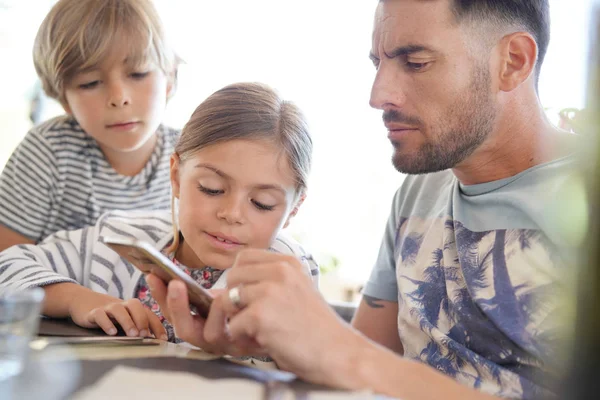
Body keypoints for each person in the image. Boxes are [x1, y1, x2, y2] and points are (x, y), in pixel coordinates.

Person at [150, 0, 578, 399]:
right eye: (379, 63)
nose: (378, 95)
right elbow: (363, 368)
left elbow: (360, 361)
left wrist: (347, 355)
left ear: (512, 62)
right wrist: (278, 347)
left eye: (416, 63)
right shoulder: (419, 193)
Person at [0, 82, 318, 347]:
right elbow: (8, 266)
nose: (232, 214)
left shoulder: (288, 274)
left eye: (262, 203)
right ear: (177, 175)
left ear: (294, 208)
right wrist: (77, 300)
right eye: (211, 188)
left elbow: (307, 367)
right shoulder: (121, 239)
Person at [0, 0, 180, 252]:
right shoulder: (47, 153)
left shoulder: (191, 157)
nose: (118, 98)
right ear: (65, 100)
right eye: (90, 83)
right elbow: (5, 265)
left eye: (138, 73)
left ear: (170, 78)